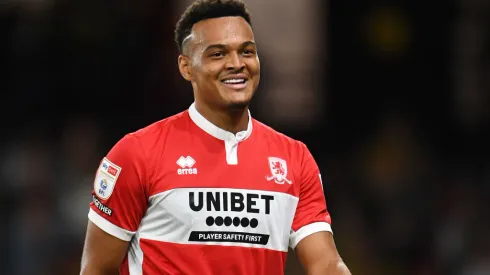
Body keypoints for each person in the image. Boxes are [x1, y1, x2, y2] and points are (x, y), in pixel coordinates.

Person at [80, 0, 351, 274]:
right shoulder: (137, 153)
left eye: (246, 51)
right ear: (186, 67)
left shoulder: (294, 158)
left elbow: (326, 262)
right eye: (218, 54)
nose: (236, 64)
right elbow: (96, 269)